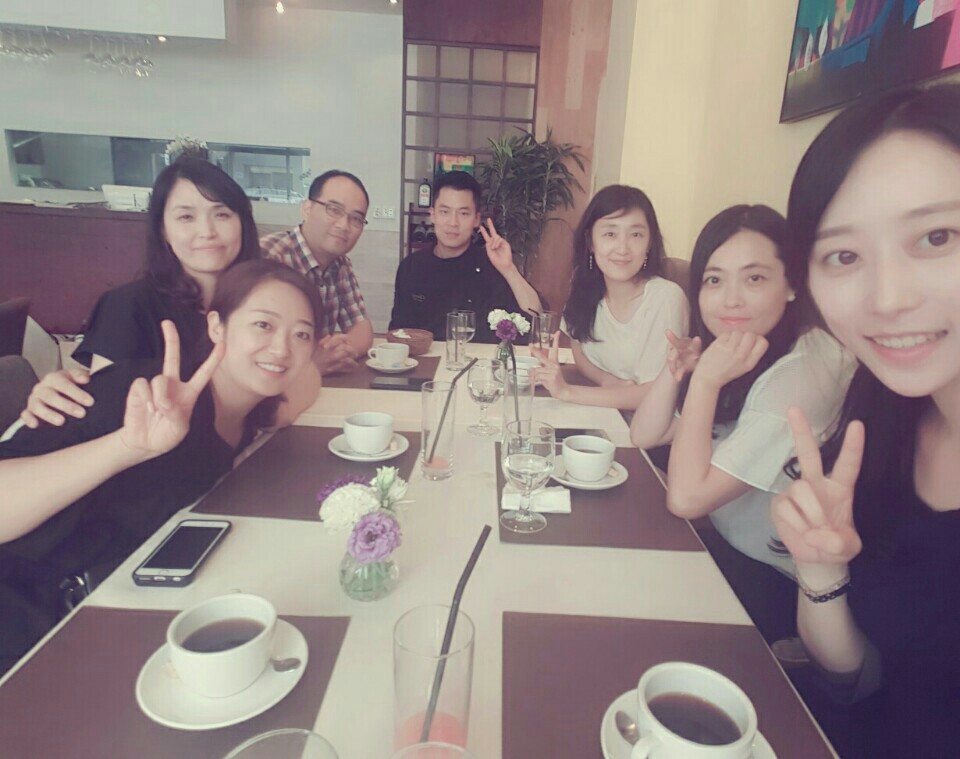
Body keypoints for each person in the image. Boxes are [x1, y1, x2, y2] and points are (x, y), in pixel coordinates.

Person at [0, 259, 320, 675]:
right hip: (24, 614)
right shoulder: (143, 394)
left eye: (301, 334)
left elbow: (306, 382)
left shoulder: (252, 412)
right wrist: (127, 447)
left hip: (115, 608)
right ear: (217, 326)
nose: (281, 348)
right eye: (263, 325)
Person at [772, 84, 960, 755]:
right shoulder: (885, 425)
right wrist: (822, 574)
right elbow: (867, 682)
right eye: (844, 256)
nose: (887, 298)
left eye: (937, 236)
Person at [629, 205, 854, 641]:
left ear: (793, 284)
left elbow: (687, 499)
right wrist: (679, 371)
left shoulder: (801, 377)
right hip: (725, 550)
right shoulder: (747, 346)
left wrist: (705, 382)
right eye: (714, 280)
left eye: (754, 278)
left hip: (783, 590)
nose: (730, 299)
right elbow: (645, 434)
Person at [17, 159, 320, 432]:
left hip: (233, 457)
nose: (207, 231)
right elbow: (106, 419)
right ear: (163, 230)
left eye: (222, 214)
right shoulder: (128, 307)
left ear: (242, 223)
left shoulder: (260, 301)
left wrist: (269, 415)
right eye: (186, 217)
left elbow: (303, 381)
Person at [532, 185, 687, 409]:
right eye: (610, 234)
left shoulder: (666, 298)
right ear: (590, 241)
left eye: (636, 235)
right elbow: (580, 349)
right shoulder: (584, 287)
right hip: (602, 412)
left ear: (649, 243)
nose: (622, 248)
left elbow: (656, 393)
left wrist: (566, 391)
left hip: (647, 424)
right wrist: (607, 381)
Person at [388, 170, 542, 342]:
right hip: (425, 357)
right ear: (432, 215)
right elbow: (398, 331)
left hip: (478, 358)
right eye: (445, 212)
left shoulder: (492, 265)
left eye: (463, 213)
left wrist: (509, 269)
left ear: (476, 219)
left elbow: (536, 317)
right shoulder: (412, 267)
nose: (453, 223)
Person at [261, 170, 374, 374]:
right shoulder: (269, 257)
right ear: (307, 209)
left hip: (314, 384)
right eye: (334, 210)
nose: (344, 225)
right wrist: (311, 363)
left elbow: (361, 329)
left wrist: (334, 355)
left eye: (356, 218)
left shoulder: (340, 264)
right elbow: (253, 346)